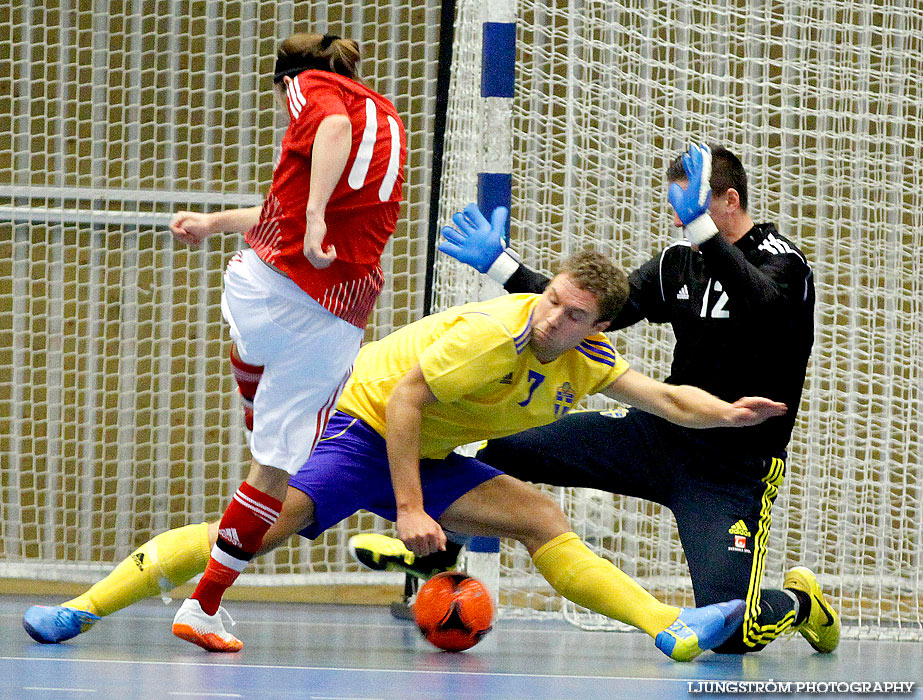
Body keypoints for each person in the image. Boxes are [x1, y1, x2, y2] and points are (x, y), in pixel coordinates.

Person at [23, 247, 788, 662]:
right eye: (552, 298)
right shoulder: (496, 336)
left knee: (540, 517)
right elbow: (403, 402)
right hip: (362, 424)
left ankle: (669, 627)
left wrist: (728, 412)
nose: (552, 315)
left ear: (599, 325)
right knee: (257, 530)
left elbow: (669, 399)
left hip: (426, 449)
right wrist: (413, 509)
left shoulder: (584, 359)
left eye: (572, 312)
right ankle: (79, 610)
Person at [351, 144, 840, 656]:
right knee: (504, 448)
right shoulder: (678, 264)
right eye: (678, 209)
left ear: (730, 200)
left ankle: (804, 604)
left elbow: (759, 306)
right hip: (652, 438)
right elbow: (592, 312)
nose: (679, 221)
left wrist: (704, 232)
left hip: (731, 468)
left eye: (690, 210)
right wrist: (502, 266)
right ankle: (435, 555)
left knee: (735, 634)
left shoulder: (783, 263)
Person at [58, 31, 406, 652]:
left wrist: (317, 217)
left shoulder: (310, 84)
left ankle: (254, 402)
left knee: (252, 339)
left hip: (269, 286)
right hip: (338, 313)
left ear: (282, 82)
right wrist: (219, 221)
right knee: (275, 468)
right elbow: (291, 206)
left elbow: (325, 133)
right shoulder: (385, 115)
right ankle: (204, 605)